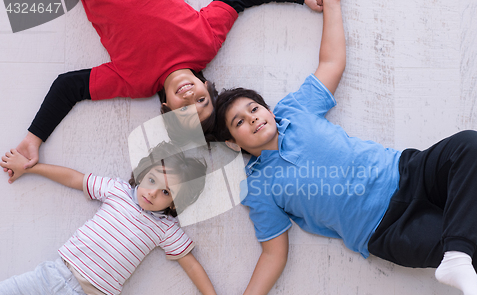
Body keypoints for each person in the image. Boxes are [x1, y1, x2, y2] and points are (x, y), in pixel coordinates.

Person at [207, 0, 477, 295]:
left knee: (472, 144)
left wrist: (332, 3)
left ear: (268, 110)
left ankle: (456, 252)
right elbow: (274, 254)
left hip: (409, 173)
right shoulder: (259, 187)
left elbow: (332, 62)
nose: (253, 119)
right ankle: (461, 243)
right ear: (234, 142)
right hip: (386, 230)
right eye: (240, 122)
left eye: (254, 109)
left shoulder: (295, 111)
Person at [6, 0, 323, 178]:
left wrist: (34, 139)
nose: (189, 96)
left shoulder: (136, 82)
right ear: (205, 84)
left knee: (17, 14)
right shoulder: (205, 42)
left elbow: (69, 87)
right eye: (201, 99)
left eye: (185, 107)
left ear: (168, 107)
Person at [0, 142, 240, 295]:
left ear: (176, 204)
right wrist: (30, 168)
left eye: (166, 192)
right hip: (48, 281)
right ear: (143, 173)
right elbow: (75, 179)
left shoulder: (166, 228)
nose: (153, 193)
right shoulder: (117, 190)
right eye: (152, 180)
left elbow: (192, 265)